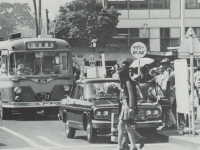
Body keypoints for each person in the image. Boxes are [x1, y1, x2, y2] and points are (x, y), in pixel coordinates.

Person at [117, 61, 145, 150]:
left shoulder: (127, 82)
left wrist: (131, 107)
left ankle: (120, 146)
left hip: (127, 106)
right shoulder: (125, 81)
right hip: (125, 105)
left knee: (121, 126)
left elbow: (131, 95)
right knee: (128, 126)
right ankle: (133, 145)